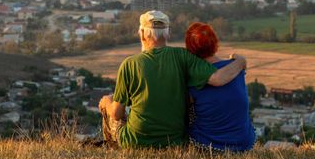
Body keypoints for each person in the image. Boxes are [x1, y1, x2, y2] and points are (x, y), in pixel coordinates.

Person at [98, 10, 247, 148]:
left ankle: (112, 148)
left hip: (136, 141)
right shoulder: (183, 56)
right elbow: (218, 78)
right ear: (168, 33)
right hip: (175, 141)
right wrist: (239, 62)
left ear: (142, 34)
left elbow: (116, 114)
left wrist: (106, 102)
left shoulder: (129, 64)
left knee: (108, 102)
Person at [185, 22, 255, 152]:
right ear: (215, 43)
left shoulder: (194, 75)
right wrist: (238, 59)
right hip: (244, 145)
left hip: (209, 146)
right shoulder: (235, 69)